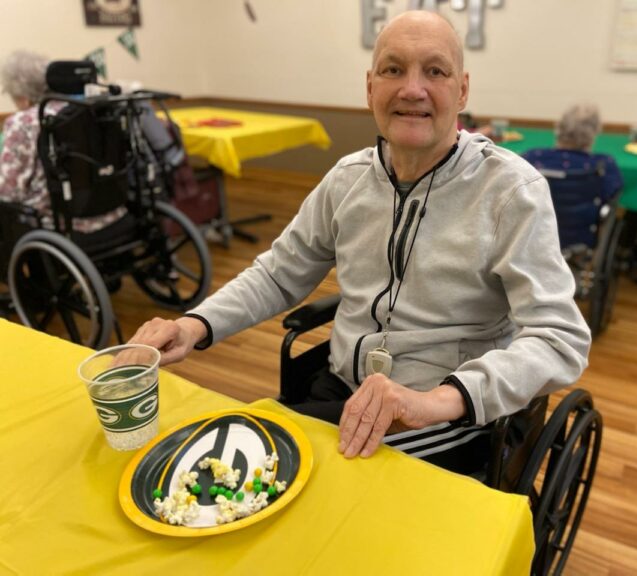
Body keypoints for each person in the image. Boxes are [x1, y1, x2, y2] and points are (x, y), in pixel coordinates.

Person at [129, 11, 591, 473]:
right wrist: (192, 326)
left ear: (463, 90)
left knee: (281, 467)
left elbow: (560, 338)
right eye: (393, 69)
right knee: (249, 453)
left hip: (441, 414)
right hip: (343, 384)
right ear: (370, 88)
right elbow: (278, 274)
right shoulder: (348, 179)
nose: (412, 89)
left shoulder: (510, 192)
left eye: (435, 71)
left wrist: (437, 401)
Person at [0, 50, 124, 233]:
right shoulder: (86, 109)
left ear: (22, 97)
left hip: (59, 224)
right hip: (114, 213)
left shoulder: (23, 122)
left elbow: (9, 192)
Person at [522, 103, 623, 205]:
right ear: (594, 133)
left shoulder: (531, 157)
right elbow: (611, 194)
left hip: (539, 215)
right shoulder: (604, 164)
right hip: (586, 215)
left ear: (559, 128)